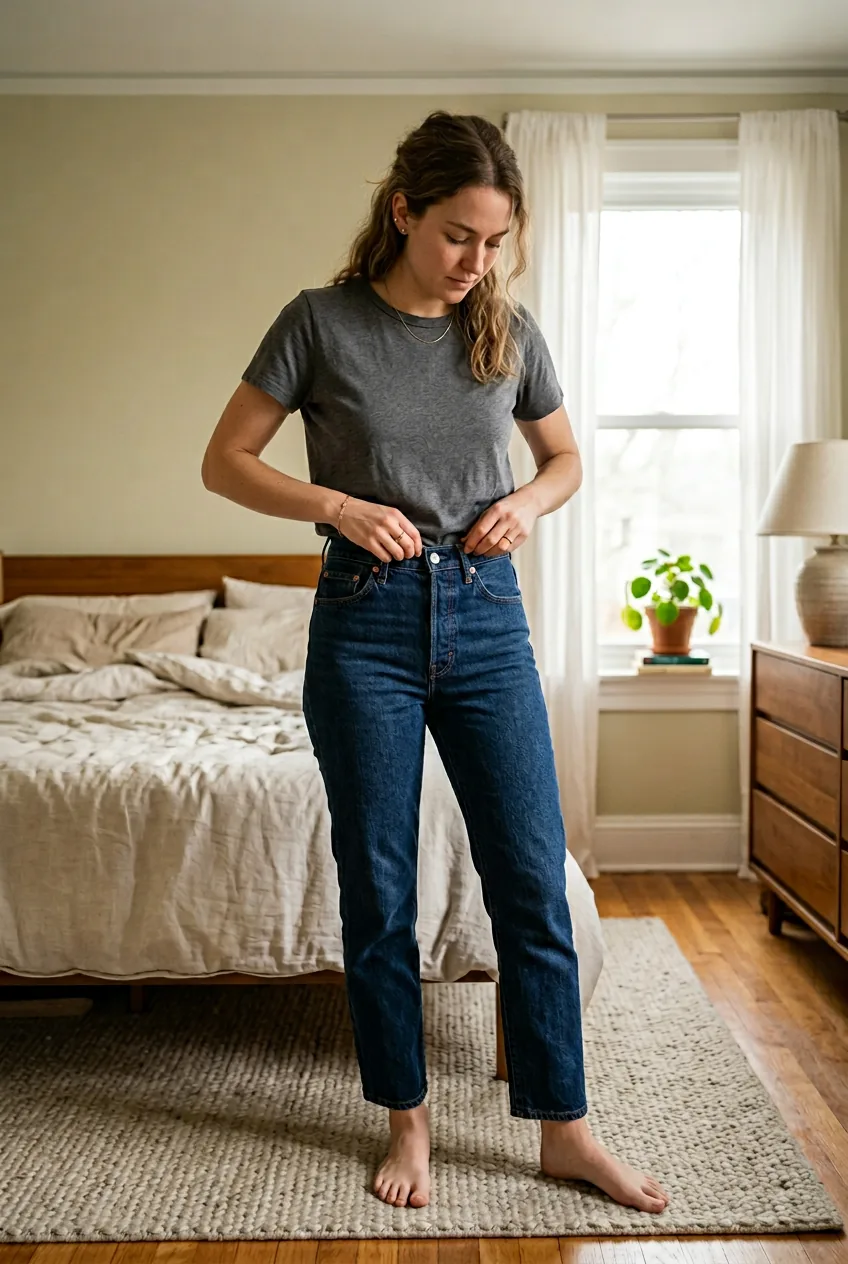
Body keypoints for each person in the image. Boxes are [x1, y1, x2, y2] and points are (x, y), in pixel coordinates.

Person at [202, 109, 669, 1216]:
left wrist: (521, 503)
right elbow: (224, 460)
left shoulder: (506, 330)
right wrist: (334, 504)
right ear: (404, 212)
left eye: (494, 240)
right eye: (459, 235)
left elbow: (562, 461)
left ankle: (565, 1127)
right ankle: (406, 1122)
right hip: (361, 624)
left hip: (485, 617)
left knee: (529, 879)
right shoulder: (317, 323)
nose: (476, 262)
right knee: (377, 888)